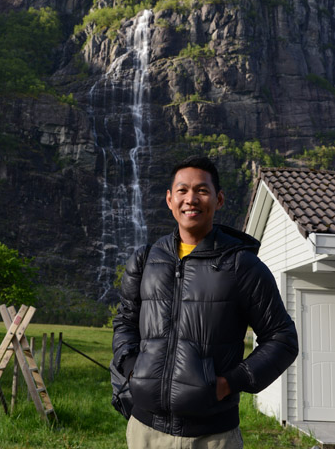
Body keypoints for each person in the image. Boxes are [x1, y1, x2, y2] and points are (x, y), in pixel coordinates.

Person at [112, 156, 298, 449]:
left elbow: (282, 338)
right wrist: (134, 367)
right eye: (183, 190)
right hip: (144, 431)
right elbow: (125, 320)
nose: (191, 199)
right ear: (169, 199)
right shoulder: (146, 260)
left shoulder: (242, 265)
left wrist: (229, 383)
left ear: (219, 199)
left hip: (212, 437)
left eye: (202, 190)